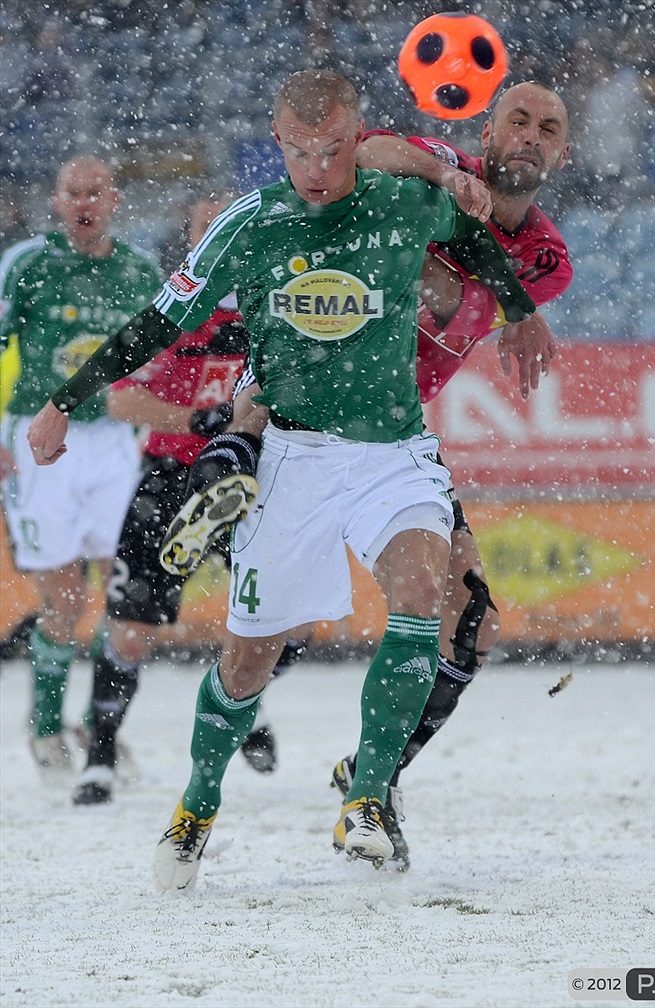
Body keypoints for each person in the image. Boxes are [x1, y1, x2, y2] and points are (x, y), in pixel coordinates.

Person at [26, 69, 536, 888]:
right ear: (278, 145)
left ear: (357, 137)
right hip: (292, 459)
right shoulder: (250, 224)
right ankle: (197, 802)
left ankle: (365, 797)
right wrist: (61, 402)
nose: (319, 170)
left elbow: (473, 238)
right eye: (301, 152)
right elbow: (158, 323)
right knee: (247, 661)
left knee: (419, 593)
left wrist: (521, 308)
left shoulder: (400, 203)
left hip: (393, 452)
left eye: (334, 150)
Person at [329, 80, 572, 867]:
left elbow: (456, 305)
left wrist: (452, 282)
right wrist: (442, 180)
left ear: (563, 153)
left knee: (472, 625)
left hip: (397, 437)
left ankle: (371, 780)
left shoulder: (546, 256)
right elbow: (365, 150)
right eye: (518, 121)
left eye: (549, 129)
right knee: (269, 637)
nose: (531, 137)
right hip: (315, 406)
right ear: (487, 131)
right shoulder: (442, 165)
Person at [73, 192, 311, 806]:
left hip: (256, 475)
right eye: (210, 226)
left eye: (233, 223)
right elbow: (119, 400)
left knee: (296, 624)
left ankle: (238, 698)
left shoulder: (283, 302)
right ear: (194, 239)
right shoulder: (173, 310)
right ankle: (99, 757)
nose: (226, 235)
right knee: (130, 632)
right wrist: (201, 419)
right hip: (172, 478)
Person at [0, 155, 162, 780]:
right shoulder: (28, 264)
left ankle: (100, 725)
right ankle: (44, 728)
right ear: (57, 200)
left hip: (114, 439)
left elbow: (159, 360)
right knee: (64, 598)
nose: (85, 202)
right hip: (40, 438)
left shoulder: (140, 271)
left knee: (120, 598)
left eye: (96, 192)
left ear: (115, 200)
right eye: (74, 192)